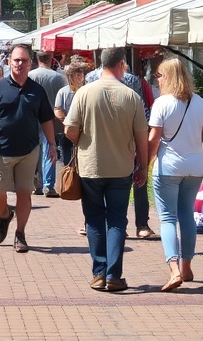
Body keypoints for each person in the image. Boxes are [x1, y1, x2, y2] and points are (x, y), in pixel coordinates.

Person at [64, 48, 148, 293]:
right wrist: (142, 165)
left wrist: (83, 139)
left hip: (91, 166)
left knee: (94, 220)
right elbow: (141, 136)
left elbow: (70, 130)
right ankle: (114, 274)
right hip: (121, 167)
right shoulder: (131, 96)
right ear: (122, 64)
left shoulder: (84, 93)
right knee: (117, 221)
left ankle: (99, 273)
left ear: (101, 65)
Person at [0, 44, 56, 254]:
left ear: (30, 63)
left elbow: (47, 119)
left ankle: (20, 234)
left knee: (24, 194)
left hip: (28, 151)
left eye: (24, 60)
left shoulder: (37, 90)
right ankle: (4, 215)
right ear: (9, 62)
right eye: (16, 60)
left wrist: (53, 145)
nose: (20, 64)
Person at [148, 57, 203, 292]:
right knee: (186, 216)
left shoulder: (162, 103)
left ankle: (174, 269)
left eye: (159, 75)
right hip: (195, 167)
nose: (157, 80)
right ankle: (187, 266)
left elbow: (154, 138)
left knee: (167, 218)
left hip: (168, 167)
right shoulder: (201, 103)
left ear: (167, 77)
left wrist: (145, 164)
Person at [87, 55, 156, 239]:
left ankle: (107, 224)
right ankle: (141, 224)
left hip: (98, 142)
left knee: (101, 185)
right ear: (121, 61)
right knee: (136, 184)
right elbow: (143, 113)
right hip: (129, 139)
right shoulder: (132, 80)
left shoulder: (90, 78)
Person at [30, 50, 68, 197]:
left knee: (34, 152)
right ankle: (48, 185)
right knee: (50, 151)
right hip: (51, 119)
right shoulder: (59, 78)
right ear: (51, 59)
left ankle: (36, 184)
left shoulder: (30, 76)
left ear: (37, 59)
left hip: (32, 118)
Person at [54, 58, 88, 166]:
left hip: (85, 132)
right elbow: (57, 110)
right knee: (68, 163)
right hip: (68, 133)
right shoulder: (63, 92)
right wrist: (67, 123)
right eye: (77, 75)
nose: (80, 77)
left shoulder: (87, 90)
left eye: (81, 75)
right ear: (70, 76)